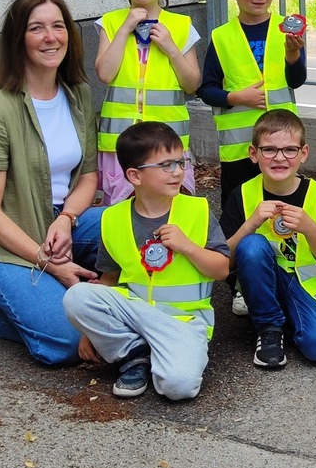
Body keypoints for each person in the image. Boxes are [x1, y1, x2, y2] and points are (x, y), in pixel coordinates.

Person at [0, 0, 103, 366]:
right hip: (2, 242)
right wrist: (48, 262)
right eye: (36, 28)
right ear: (18, 40)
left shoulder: (78, 95)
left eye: (58, 26)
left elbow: (88, 176)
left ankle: (54, 290)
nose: (50, 37)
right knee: (75, 340)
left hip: (59, 223)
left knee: (138, 227)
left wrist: (66, 219)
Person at [63, 122, 230, 399]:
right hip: (134, 316)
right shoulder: (112, 218)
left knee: (179, 388)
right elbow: (108, 280)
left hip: (184, 322)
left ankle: (157, 354)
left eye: (180, 162)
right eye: (165, 165)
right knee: (77, 296)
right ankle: (134, 355)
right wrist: (90, 331)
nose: (178, 172)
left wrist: (187, 246)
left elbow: (222, 270)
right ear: (135, 176)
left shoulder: (197, 210)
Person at [198, 0, 306, 318]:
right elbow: (205, 87)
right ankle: (240, 284)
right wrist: (234, 96)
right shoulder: (223, 37)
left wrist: (294, 56)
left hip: (280, 150)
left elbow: (297, 80)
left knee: (283, 210)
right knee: (238, 214)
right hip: (239, 151)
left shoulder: (284, 31)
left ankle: (286, 273)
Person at [220, 110, 316, 369]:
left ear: (303, 153)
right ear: (254, 154)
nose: (279, 158)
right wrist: (250, 224)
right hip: (262, 279)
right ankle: (269, 327)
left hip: (303, 285)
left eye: (289, 150)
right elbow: (222, 263)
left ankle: (287, 314)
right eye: (269, 150)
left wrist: (310, 229)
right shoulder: (242, 194)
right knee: (252, 245)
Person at [95, 0, 201, 204]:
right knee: (122, 215)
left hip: (167, 144)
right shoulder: (110, 22)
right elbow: (105, 74)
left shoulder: (181, 25)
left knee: (171, 212)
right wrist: (124, 29)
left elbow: (192, 84)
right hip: (120, 146)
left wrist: (171, 48)